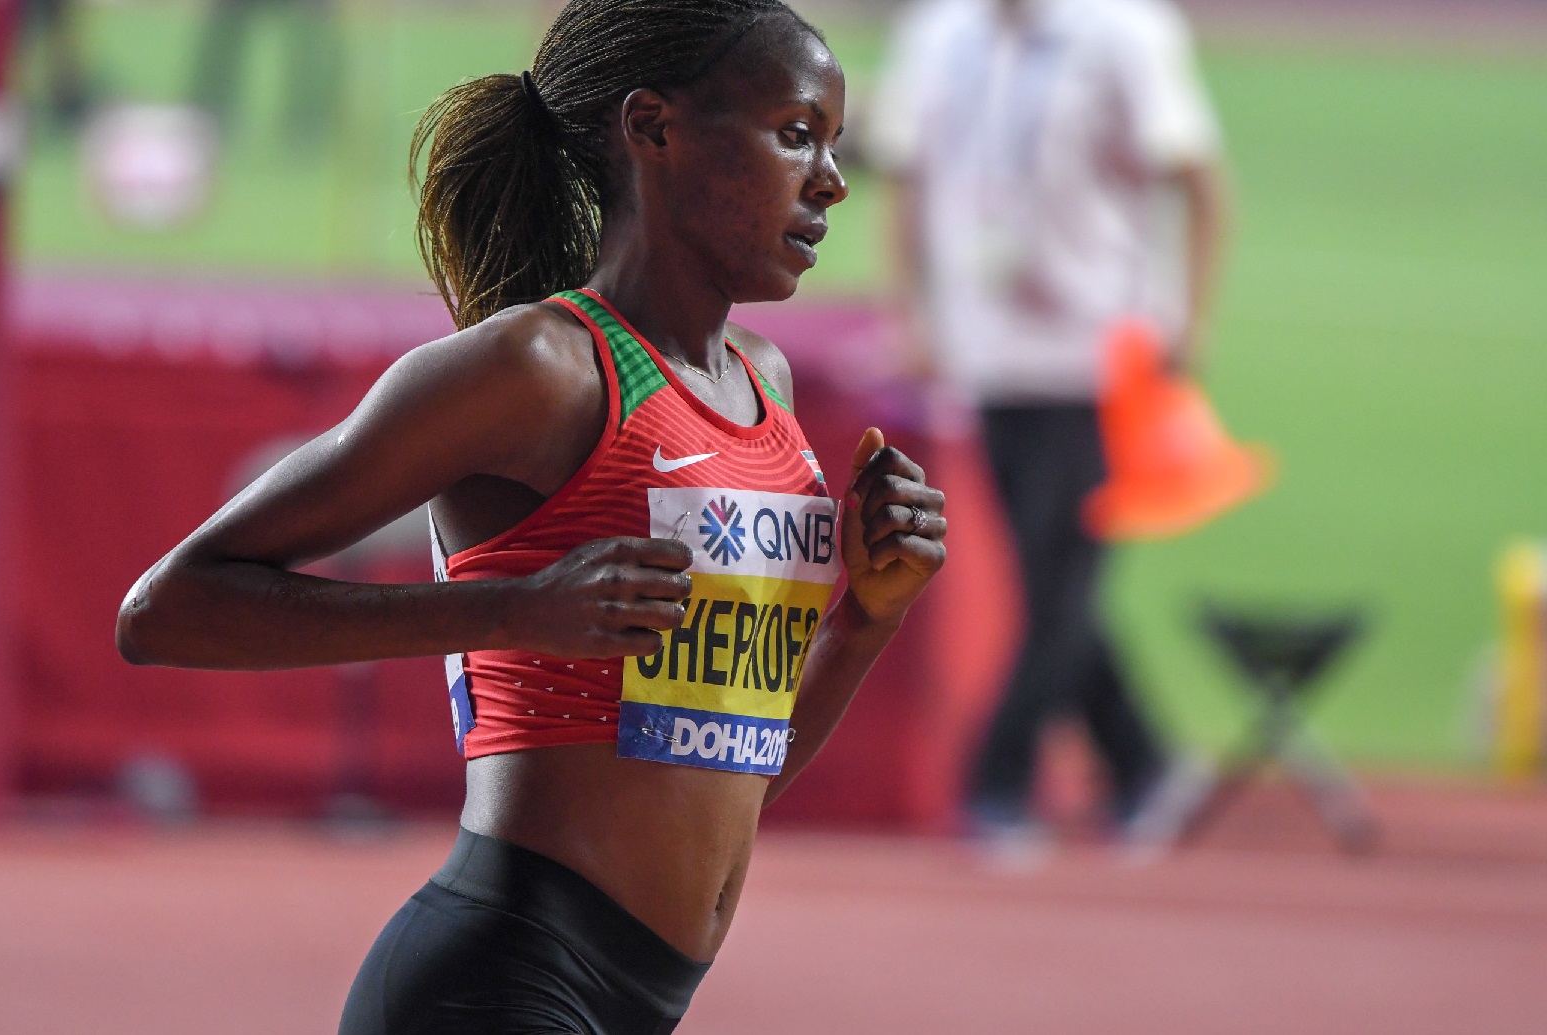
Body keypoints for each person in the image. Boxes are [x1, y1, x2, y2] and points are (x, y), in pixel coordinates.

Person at [116, 2, 948, 1032]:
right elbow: (165, 610)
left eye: (832, 142)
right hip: (500, 982)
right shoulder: (537, 371)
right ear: (653, 128)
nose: (830, 180)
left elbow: (733, 772)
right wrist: (509, 610)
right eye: (794, 134)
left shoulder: (764, 390)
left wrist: (867, 619)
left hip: (635, 998)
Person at [867, 0, 1227, 861]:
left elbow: (1200, 178)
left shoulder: (1124, 31)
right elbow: (907, 177)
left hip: (1098, 354)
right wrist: (910, 309)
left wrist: (1192, 316)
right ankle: (1146, 762)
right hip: (987, 354)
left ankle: (996, 781)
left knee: (1058, 576)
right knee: (1049, 575)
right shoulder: (937, 33)